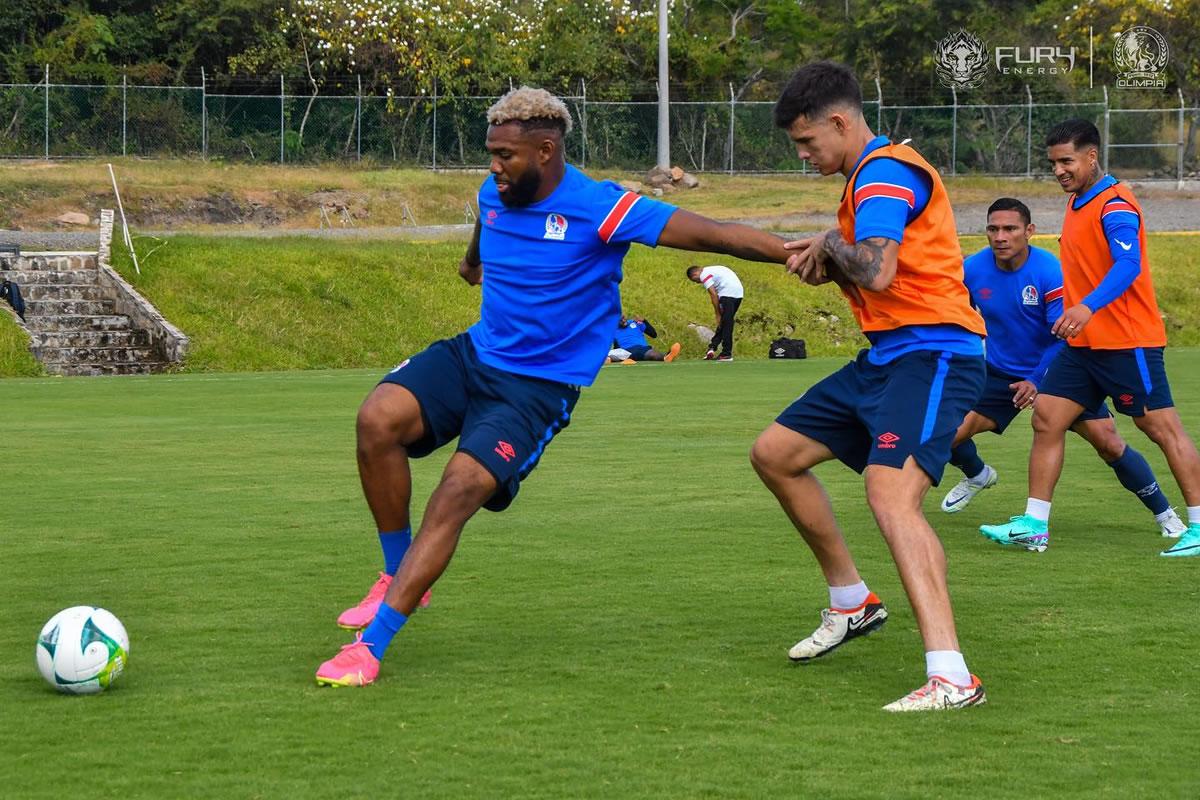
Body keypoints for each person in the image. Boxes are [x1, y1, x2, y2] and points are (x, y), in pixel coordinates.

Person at [316, 86, 795, 687]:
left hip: (536, 388)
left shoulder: (604, 207)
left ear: (546, 150)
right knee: (375, 420)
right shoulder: (495, 190)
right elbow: (484, 227)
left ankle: (373, 645)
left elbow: (716, 235)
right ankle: (396, 572)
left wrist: (798, 252)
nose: (493, 166)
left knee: (457, 490)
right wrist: (471, 265)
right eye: (490, 153)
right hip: (476, 355)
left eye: (505, 155)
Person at [749, 61, 988, 711]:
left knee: (890, 496)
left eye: (806, 143)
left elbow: (877, 270)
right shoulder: (862, 183)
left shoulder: (884, 173)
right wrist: (830, 264)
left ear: (839, 121)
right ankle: (852, 602)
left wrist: (833, 244)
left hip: (935, 353)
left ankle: (952, 676)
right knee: (776, 453)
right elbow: (876, 272)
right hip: (887, 357)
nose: (803, 157)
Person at [980, 119, 1200, 558]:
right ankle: (1034, 524)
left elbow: (1128, 265)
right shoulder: (1079, 201)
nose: (1059, 170)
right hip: (1083, 347)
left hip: (1126, 340)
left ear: (1092, 156)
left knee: (1160, 428)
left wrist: (1085, 307)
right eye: (1054, 163)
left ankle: (1198, 524)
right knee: (1047, 417)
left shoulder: (1114, 204)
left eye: (1067, 161)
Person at [940, 198, 1187, 543]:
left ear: (1029, 232)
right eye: (993, 229)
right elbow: (959, 318)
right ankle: (977, 474)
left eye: (1009, 229)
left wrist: (1036, 379)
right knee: (942, 431)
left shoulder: (1049, 272)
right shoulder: (973, 269)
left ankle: (1167, 515)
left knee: (1110, 444)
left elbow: (1063, 335)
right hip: (998, 373)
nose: (1000, 237)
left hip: (1056, 370)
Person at [686, 264, 742, 361]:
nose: (698, 282)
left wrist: (717, 314)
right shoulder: (714, 269)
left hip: (727, 294)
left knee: (727, 324)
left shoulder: (704, 274)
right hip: (738, 294)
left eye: (695, 280)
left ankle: (726, 353)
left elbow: (713, 294)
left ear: (695, 274)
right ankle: (712, 347)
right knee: (725, 322)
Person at [607, 314, 681, 363]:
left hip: (641, 349)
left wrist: (644, 321)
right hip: (626, 350)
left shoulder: (634, 323)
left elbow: (653, 334)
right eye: (620, 320)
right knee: (612, 355)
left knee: (652, 354)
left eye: (623, 318)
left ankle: (666, 357)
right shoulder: (611, 330)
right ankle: (607, 359)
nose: (624, 321)